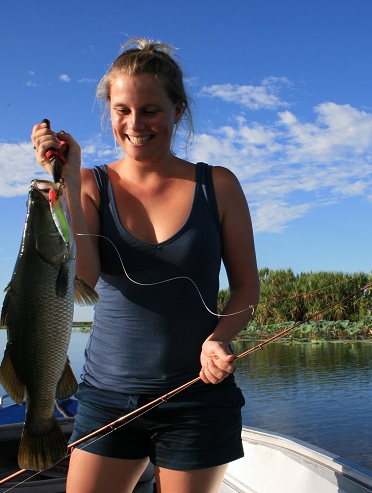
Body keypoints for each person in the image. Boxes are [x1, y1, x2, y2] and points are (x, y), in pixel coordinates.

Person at [31, 38, 260, 493]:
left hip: (197, 394)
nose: (135, 124)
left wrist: (219, 339)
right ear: (110, 112)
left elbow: (247, 290)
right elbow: (84, 277)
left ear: (178, 110)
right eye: (123, 110)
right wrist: (70, 180)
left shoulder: (219, 185)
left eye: (151, 109)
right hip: (107, 397)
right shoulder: (92, 183)